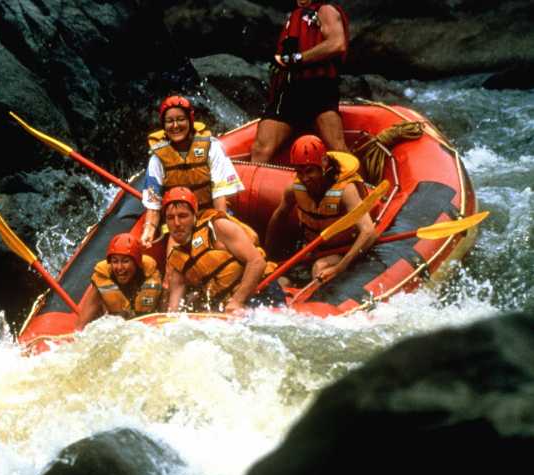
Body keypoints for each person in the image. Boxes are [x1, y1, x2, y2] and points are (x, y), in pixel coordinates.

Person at [264, 135, 376, 284]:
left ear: (324, 163)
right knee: (280, 281)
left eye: (310, 171)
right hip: (310, 250)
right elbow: (278, 217)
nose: (304, 178)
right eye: (299, 172)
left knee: (320, 267)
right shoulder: (293, 190)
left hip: (342, 251)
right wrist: (268, 255)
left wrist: (340, 268)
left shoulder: (346, 190)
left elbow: (369, 232)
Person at [250, 1, 350, 163]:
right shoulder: (296, 15)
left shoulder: (325, 10)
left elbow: (337, 44)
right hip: (289, 91)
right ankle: (252, 187)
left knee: (337, 149)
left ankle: (359, 186)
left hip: (318, 88)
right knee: (260, 149)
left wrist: (296, 59)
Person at [140, 95, 245, 248]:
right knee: (174, 265)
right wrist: (148, 231)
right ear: (164, 125)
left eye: (181, 119)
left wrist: (220, 225)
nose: (175, 126)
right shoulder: (157, 159)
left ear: (190, 120)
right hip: (178, 224)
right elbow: (153, 205)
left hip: (209, 214)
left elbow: (219, 194)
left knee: (223, 249)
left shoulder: (211, 148)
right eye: (169, 121)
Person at [162, 187, 284, 314]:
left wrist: (238, 301)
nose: (176, 223)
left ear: (194, 215)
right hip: (228, 307)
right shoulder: (177, 261)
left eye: (183, 216)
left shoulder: (217, 227)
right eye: (170, 218)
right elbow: (173, 309)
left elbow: (257, 262)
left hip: (262, 293)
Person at [75, 233, 163, 329]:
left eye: (125, 261)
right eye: (115, 261)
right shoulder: (102, 282)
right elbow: (81, 327)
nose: (119, 267)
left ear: (136, 262)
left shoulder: (151, 277)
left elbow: (167, 315)